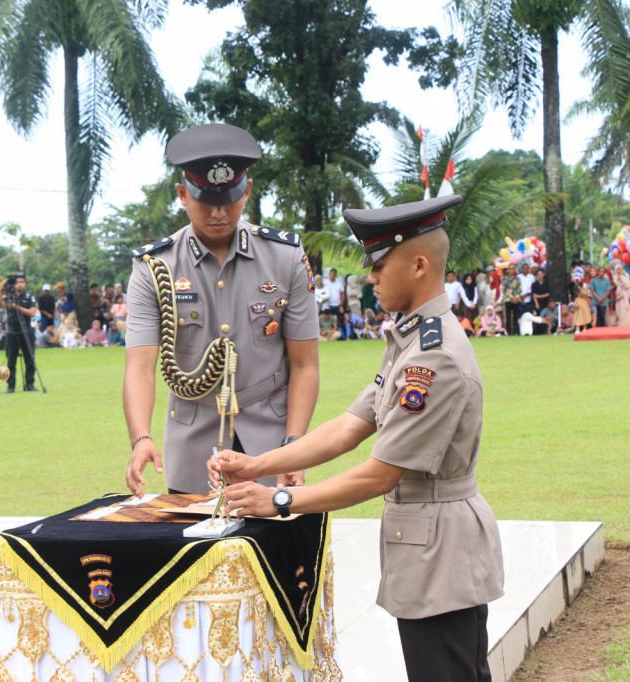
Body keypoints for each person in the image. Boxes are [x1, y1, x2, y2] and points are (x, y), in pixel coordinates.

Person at [210, 195, 503, 682]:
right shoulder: (411, 341)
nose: (371, 277)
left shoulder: (433, 358)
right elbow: (348, 427)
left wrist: (281, 500)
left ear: (420, 265)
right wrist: (255, 465)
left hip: (442, 552)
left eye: (380, 264)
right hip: (428, 545)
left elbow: (380, 473)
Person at [124, 123, 319, 496]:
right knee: (195, 551)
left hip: (271, 441)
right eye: (205, 201)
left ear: (246, 190)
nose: (219, 213)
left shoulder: (285, 257)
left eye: (229, 200)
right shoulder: (154, 268)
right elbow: (140, 365)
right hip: (193, 440)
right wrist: (140, 438)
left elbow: (305, 363)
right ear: (182, 194)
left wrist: (295, 444)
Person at [4, 275, 39, 392]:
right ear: (14, 284)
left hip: (26, 331)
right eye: (17, 282)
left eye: (22, 282)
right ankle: (11, 385)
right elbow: (0, 305)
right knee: (11, 360)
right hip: (12, 331)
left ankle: (30, 384)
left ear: (25, 283)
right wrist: (0, 289)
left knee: (29, 358)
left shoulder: (29, 297)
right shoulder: (9, 296)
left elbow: (32, 312)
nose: (20, 284)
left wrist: (17, 307)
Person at [324, 268, 347, 338]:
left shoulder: (339, 282)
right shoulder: (325, 282)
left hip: (337, 305)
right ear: (329, 274)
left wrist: (341, 305)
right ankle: (329, 335)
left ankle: (342, 336)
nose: (333, 275)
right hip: (328, 305)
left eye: (334, 274)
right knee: (330, 320)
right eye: (331, 274)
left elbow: (343, 293)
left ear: (336, 275)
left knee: (340, 321)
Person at [500, 265, 522, 334]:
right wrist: (512, 297)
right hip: (508, 300)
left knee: (516, 316)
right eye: (510, 269)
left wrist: (516, 297)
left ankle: (516, 332)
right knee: (508, 317)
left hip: (516, 300)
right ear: (508, 270)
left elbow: (520, 289)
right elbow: (504, 290)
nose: (511, 270)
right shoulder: (504, 279)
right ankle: (508, 332)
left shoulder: (517, 279)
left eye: (513, 269)